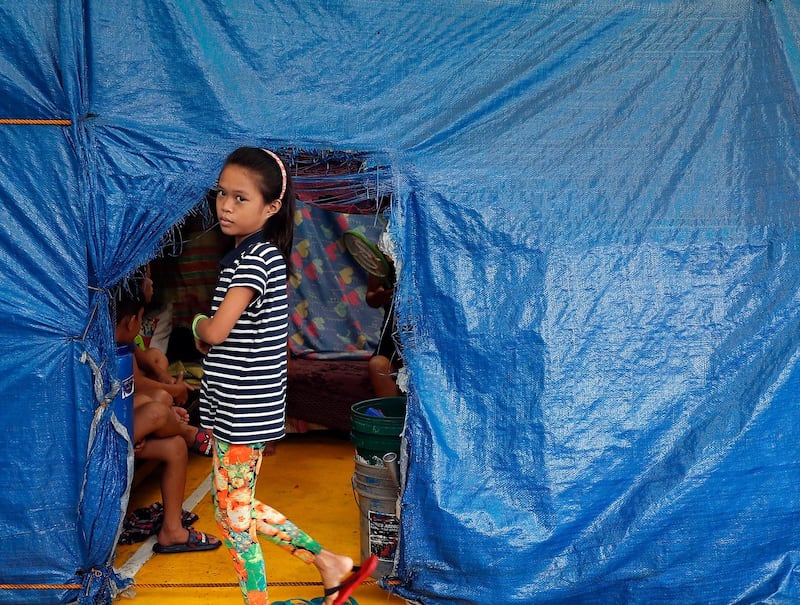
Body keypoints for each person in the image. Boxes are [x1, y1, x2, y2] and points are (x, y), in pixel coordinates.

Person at [191, 147, 376, 605]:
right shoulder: (254, 253)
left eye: (241, 198)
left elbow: (215, 331)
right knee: (234, 509)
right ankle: (328, 562)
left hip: (242, 410)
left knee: (233, 522)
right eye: (222, 195)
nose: (226, 207)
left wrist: (197, 326)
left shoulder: (252, 258)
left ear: (271, 207)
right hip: (237, 403)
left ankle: (264, 600)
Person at [112, 283, 221, 554]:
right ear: (131, 321)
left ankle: (172, 530)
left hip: (119, 430)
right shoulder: (100, 345)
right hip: (98, 439)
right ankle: (187, 431)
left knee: (172, 443)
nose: (150, 282)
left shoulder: (124, 344)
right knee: (159, 411)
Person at [365, 268, 403, 398]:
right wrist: (385, 295)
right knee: (377, 365)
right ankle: (391, 416)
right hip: (392, 341)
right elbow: (371, 298)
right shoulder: (385, 255)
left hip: (428, 341)